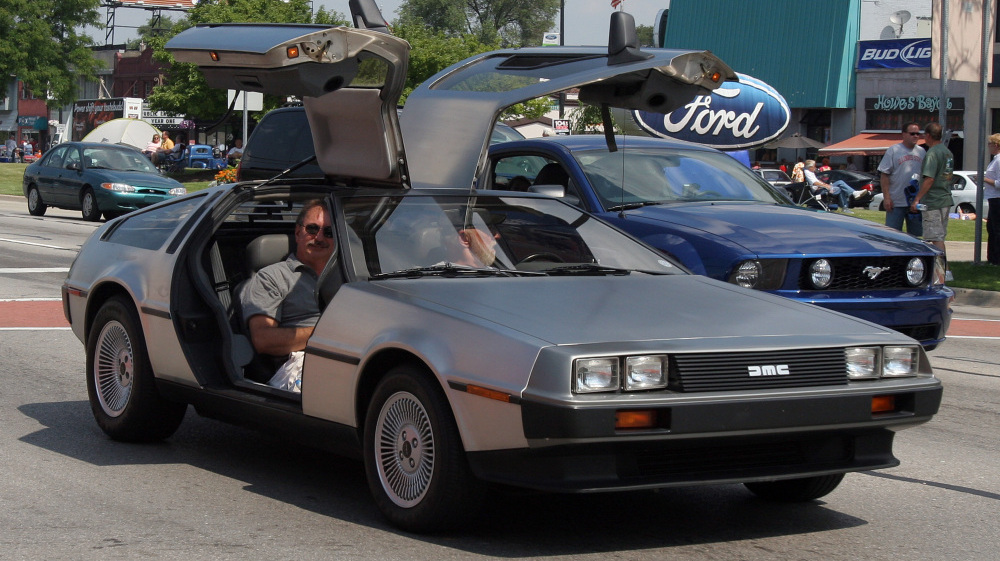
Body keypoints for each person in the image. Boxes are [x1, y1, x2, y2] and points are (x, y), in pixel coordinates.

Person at [240, 200, 336, 391]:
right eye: (312, 229)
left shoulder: (349, 274)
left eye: (329, 232)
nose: (319, 237)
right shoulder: (271, 277)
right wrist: (329, 334)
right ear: (298, 232)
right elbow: (263, 339)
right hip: (299, 365)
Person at [911, 122, 955, 281]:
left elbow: (929, 178)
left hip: (933, 201)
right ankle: (942, 272)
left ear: (928, 135)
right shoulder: (947, 152)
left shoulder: (932, 154)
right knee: (939, 236)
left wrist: (917, 198)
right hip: (945, 198)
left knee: (935, 238)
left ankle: (942, 275)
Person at [877, 122, 925, 236]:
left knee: (916, 237)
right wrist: (887, 197)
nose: (916, 136)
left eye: (918, 134)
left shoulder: (922, 152)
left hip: (914, 203)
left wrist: (919, 199)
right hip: (896, 202)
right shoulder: (894, 150)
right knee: (892, 236)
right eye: (912, 133)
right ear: (903, 134)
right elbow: (884, 175)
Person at [980, 133, 1000, 264]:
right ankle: (992, 258)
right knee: (991, 228)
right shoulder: (995, 159)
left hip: (997, 198)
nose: (988, 147)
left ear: (996, 145)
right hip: (992, 198)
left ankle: (997, 259)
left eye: (990, 144)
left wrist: (984, 179)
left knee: (997, 229)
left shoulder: (998, 161)